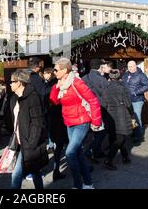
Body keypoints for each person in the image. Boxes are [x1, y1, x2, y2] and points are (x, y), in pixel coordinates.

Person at [50, 58, 102, 189]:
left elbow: (93, 100)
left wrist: (96, 121)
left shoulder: (76, 82)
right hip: (69, 122)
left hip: (81, 121)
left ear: (64, 70)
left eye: (56, 69)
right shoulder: (60, 84)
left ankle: (78, 185)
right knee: (78, 153)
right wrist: (56, 87)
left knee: (70, 153)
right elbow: (54, 101)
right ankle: (89, 184)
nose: (54, 72)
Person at [9, 69, 48, 189]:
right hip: (19, 141)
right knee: (35, 171)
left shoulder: (33, 97)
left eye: (12, 81)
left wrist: (32, 143)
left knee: (16, 174)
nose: (10, 84)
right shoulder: (14, 99)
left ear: (20, 82)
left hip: (29, 143)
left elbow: (38, 122)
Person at [101, 69, 133, 170]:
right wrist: (131, 113)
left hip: (110, 114)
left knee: (116, 136)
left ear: (109, 78)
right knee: (120, 138)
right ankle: (108, 160)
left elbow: (104, 104)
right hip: (121, 114)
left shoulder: (105, 88)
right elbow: (128, 103)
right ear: (119, 77)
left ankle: (125, 156)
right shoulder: (122, 88)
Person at [81, 58, 109, 160]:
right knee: (101, 131)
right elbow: (107, 96)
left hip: (87, 108)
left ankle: (93, 150)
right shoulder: (102, 79)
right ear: (100, 67)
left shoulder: (84, 78)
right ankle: (92, 150)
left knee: (91, 131)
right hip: (100, 107)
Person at [44, 67, 68, 181]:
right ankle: (79, 168)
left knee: (60, 147)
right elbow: (56, 101)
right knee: (70, 146)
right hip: (61, 119)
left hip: (54, 118)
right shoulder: (56, 86)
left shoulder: (49, 86)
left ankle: (56, 170)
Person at [123, 61, 148, 144]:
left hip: (137, 100)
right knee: (130, 119)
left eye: (131, 66)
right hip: (127, 100)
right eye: (128, 66)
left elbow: (147, 86)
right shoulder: (126, 74)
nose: (130, 68)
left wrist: (136, 92)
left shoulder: (141, 75)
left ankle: (139, 136)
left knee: (137, 118)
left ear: (135, 66)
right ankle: (133, 134)